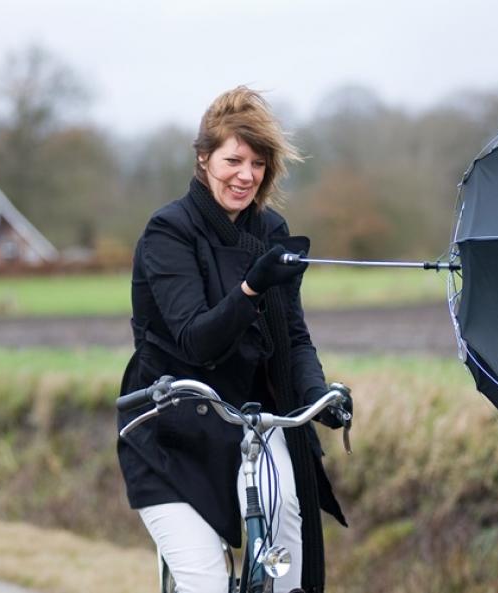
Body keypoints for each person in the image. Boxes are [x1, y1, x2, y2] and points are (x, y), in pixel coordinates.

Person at [116, 86, 351, 593]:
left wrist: (316, 395)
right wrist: (252, 286)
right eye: (233, 160)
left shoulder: (271, 230)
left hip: (249, 422)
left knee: (291, 543)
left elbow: (293, 336)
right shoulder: (167, 232)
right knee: (205, 582)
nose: (246, 176)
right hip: (171, 426)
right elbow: (197, 340)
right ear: (204, 159)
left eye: (259, 164)